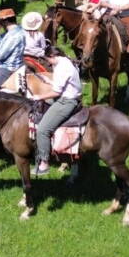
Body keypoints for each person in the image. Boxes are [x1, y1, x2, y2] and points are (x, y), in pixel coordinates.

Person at [34, 44, 82, 177]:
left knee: (43, 130)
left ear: (52, 56)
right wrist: (48, 82)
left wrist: (38, 96)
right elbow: (62, 83)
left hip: (66, 101)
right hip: (68, 95)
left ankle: (44, 162)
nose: (48, 63)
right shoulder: (65, 61)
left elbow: (56, 92)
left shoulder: (62, 67)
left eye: (48, 60)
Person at [0, 9, 26, 91]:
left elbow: (0, 55)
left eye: (0, 22)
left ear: (5, 22)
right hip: (14, 63)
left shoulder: (12, 36)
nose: (0, 24)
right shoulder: (14, 31)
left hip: (8, 66)